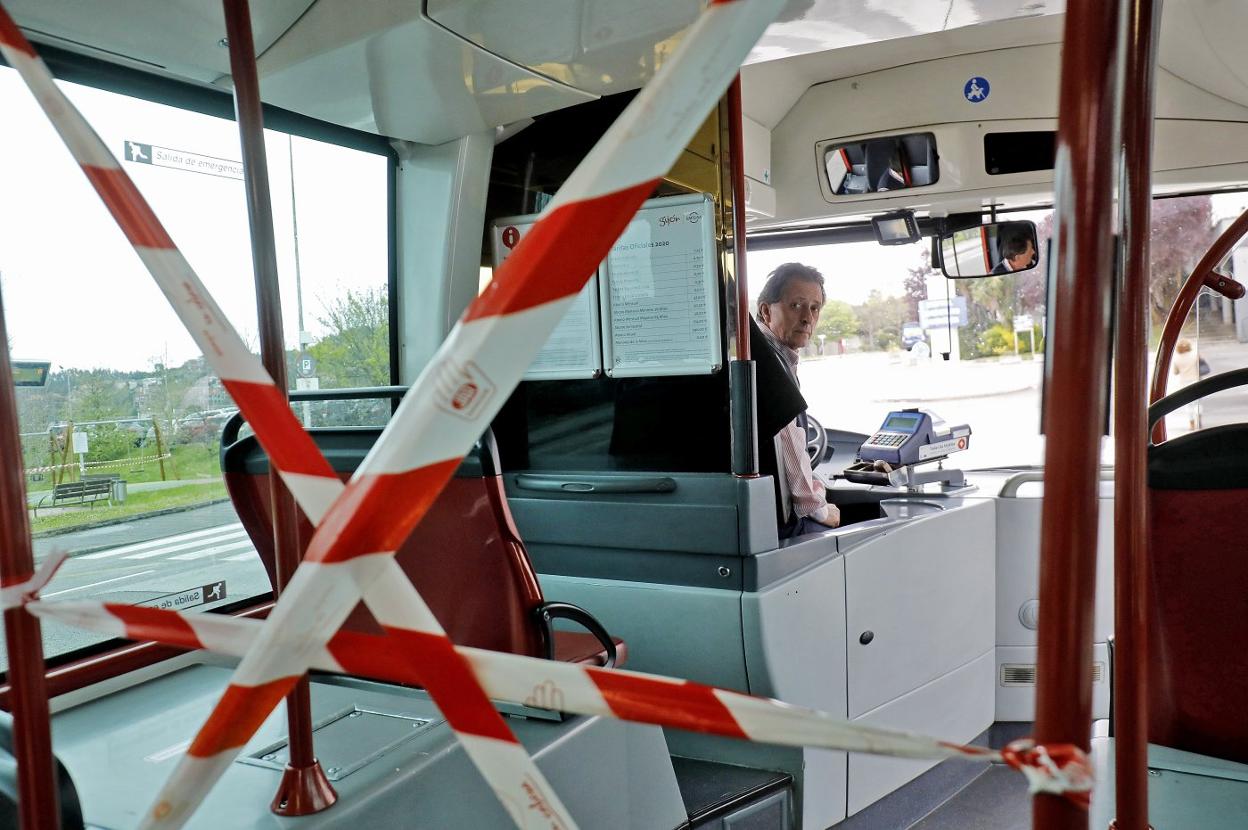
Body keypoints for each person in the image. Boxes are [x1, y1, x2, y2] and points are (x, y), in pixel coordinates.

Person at [755, 263, 840, 536]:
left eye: (814, 308)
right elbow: (789, 444)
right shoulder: (768, 365)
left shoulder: (771, 356)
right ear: (766, 311)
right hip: (777, 525)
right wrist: (822, 509)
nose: (807, 318)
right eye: (796, 306)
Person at [1172, 338, 1202, 430]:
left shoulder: (1177, 358)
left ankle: (1192, 424)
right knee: (1198, 402)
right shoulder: (1195, 355)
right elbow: (1200, 365)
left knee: (1188, 404)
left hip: (1184, 383)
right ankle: (1199, 420)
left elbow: (1175, 372)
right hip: (1196, 380)